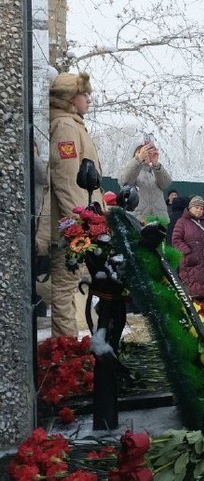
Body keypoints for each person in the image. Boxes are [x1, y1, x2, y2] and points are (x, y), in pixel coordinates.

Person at [45, 71, 104, 337]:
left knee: (69, 286)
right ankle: (65, 353)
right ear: (70, 97)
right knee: (65, 287)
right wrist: (80, 225)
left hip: (79, 223)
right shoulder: (66, 127)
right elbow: (67, 180)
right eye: (84, 94)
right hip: (71, 226)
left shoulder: (73, 124)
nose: (89, 99)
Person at [171, 196, 204, 300]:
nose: (199, 210)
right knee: (192, 294)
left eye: (201, 208)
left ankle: (202, 313)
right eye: (196, 207)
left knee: (202, 294)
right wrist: (189, 252)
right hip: (191, 264)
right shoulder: (182, 222)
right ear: (190, 208)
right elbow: (176, 240)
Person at [118, 138, 173, 224]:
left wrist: (156, 165)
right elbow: (126, 181)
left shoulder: (156, 171)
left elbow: (166, 184)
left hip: (159, 220)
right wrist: (139, 160)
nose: (145, 155)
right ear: (135, 155)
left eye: (148, 152)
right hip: (138, 220)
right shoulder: (129, 170)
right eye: (142, 152)